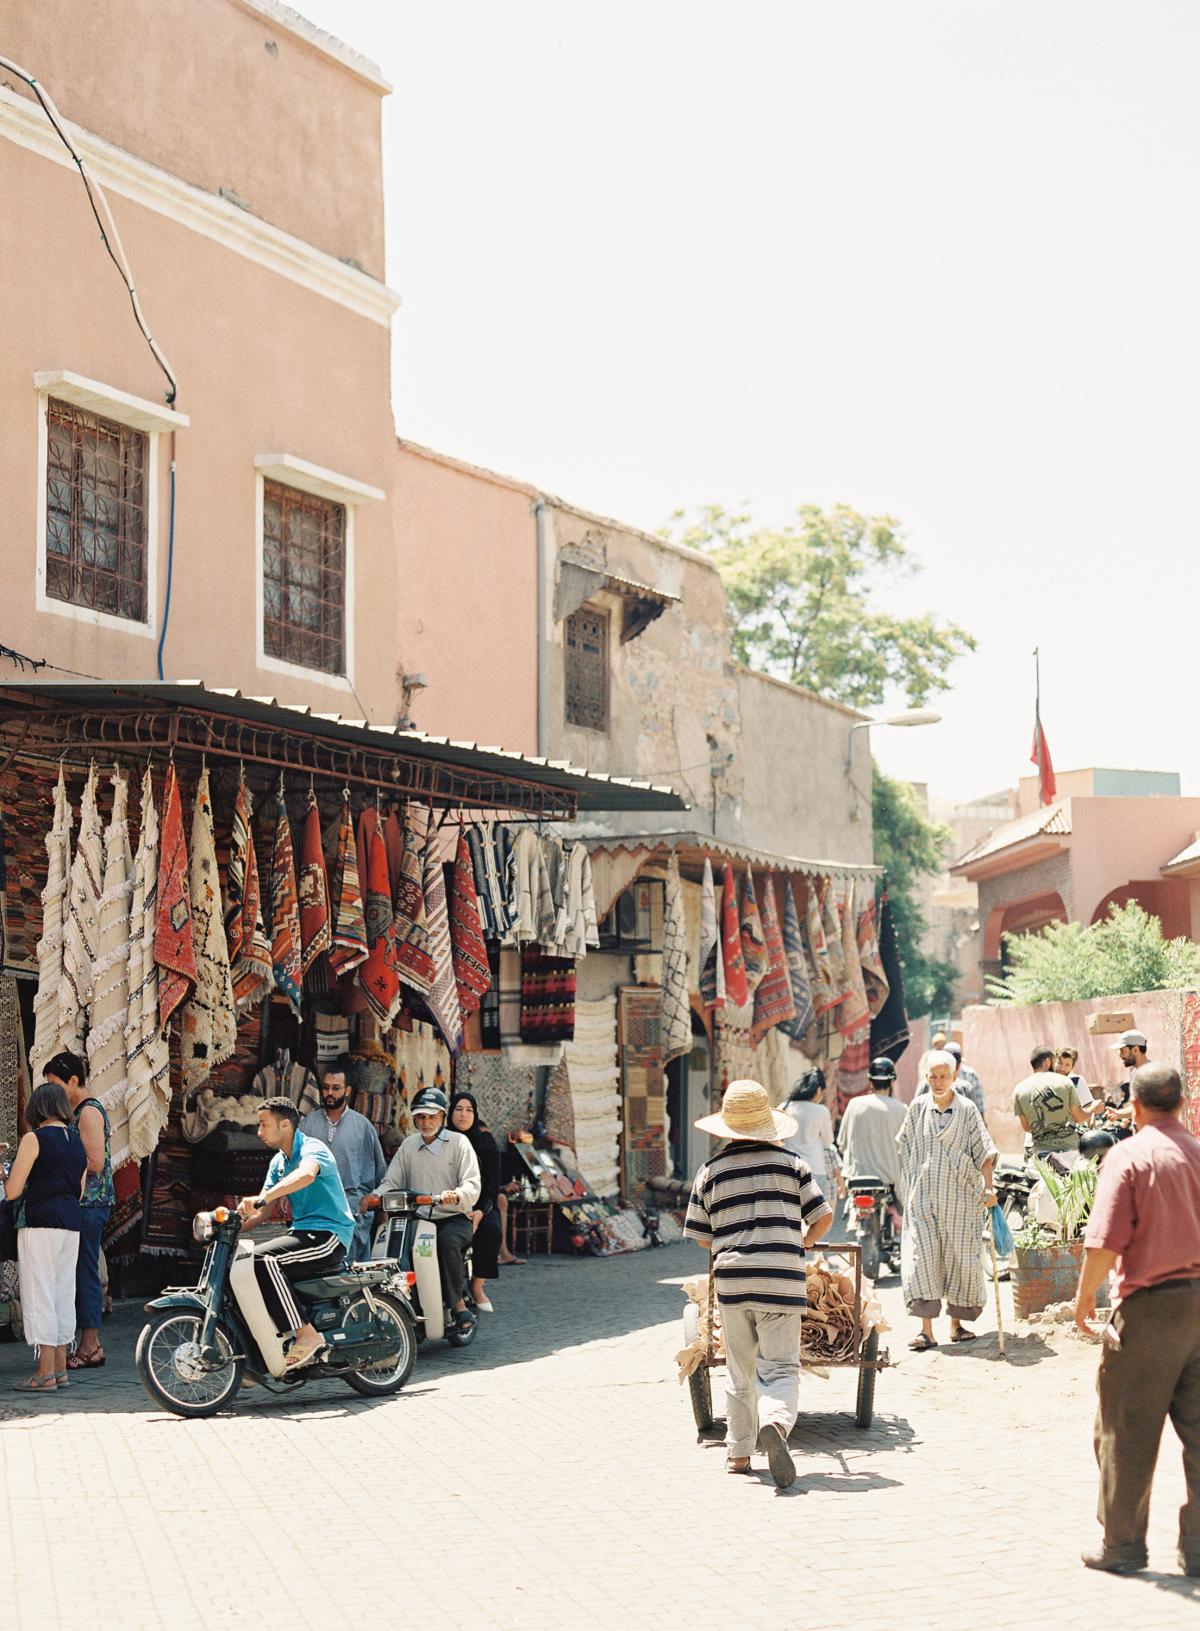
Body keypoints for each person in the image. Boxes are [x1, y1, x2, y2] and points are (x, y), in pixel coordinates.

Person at [1073, 1063, 1200, 1577]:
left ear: (1136, 1106)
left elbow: (1104, 1242)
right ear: (1182, 1103)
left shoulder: (1129, 1156)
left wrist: (1084, 1300)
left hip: (1151, 1309)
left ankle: (1123, 1546)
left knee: (1125, 1428)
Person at [684, 1079, 833, 1488]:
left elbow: (700, 1233)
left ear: (727, 1126)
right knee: (781, 1367)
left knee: (739, 1368)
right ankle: (775, 1423)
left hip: (732, 1281)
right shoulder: (792, 1164)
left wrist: (729, 1241)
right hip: (782, 1280)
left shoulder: (711, 1171)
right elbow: (823, 1215)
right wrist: (800, 1243)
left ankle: (737, 1453)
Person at [237, 1097, 356, 1371]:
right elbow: (262, 1213)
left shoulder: (313, 1149)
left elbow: (306, 1176)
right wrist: (228, 1228)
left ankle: (306, 1334)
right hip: (303, 1233)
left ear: (285, 1124)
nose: (259, 1132)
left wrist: (264, 1196)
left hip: (329, 1235)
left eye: (264, 1125)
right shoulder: (279, 1162)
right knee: (248, 1263)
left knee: (260, 1261)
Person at [362, 1086, 481, 1337]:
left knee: (446, 1243)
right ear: (415, 1118)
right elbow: (391, 1181)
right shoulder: (408, 1145)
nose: (426, 1122)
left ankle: (458, 1306)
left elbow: (472, 1185)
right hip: (416, 1218)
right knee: (394, 1250)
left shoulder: (459, 1143)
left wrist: (456, 1194)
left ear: (442, 1117)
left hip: (452, 1217)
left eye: (432, 1116)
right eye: (421, 1117)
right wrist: (375, 1196)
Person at [899, 1049, 997, 1350]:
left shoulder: (967, 1109)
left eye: (943, 1076)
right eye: (932, 1076)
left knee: (961, 1259)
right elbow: (905, 1147)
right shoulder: (917, 1107)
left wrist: (989, 1187)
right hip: (924, 1199)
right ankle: (926, 1330)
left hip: (961, 1201)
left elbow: (984, 1150)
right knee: (922, 1259)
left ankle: (957, 1325)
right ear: (926, 1078)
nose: (938, 1081)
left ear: (954, 1076)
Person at [4, 1082, 88, 1393]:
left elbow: (13, 1191)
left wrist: (6, 1175)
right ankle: (60, 1370)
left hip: (40, 1222)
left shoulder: (34, 1138)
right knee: (63, 1294)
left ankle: (43, 1373)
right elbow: (79, 1191)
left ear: (36, 1109)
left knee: (40, 1294)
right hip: (70, 1222)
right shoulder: (76, 1141)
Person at [44, 1050, 111, 1369]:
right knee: (78, 1270)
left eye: (56, 1084)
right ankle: (88, 1342)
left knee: (85, 1270)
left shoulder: (88, 1112)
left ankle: (90, 1345)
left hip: (90, 1204)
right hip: (80, 1203)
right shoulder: (74, 1111)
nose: (53, 1091)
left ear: (74, 1080)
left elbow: (95, 1162)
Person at [300, 1057, 387, 1263]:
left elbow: (380, 1173)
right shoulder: (307, 1125)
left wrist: (376, 1210)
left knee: (348, 1273)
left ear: (347, 1091)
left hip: (352, 1210)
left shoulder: (362, 1126)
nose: (330, 1093)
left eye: (336, 1088)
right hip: (315, 1209)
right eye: (326, 1088)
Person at [449, 1092, 503, 1312]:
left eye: (469, 1110)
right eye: (458, 1109)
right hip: (449, 1203)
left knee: (491, 1230)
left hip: (481, 1203)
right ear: (450, 1112)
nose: (463, 1115)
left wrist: (480, 1210)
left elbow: (492, 1183)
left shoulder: (484, 1142)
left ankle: (477, 1285)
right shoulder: (442, 1139)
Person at [837, 1057, 908, 1200]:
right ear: (892, 1081)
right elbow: (907, 1150)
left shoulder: (854, 1104)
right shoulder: (902, 1109)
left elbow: (841, 1143)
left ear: (870, 1081)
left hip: (856, 1179)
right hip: (890, 1182)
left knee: (852, 1216)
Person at [1012, 1045, 1088, 1157]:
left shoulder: (1018, 1089)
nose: (1060, 1067)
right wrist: (1093, 1109)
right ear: (1047, 1062)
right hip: (1067, 1150)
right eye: (1057, 1062)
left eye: (1067, 1065)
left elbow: (1026, 1127)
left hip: (1037, 1150)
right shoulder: (1065, 1082)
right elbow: (1079, 1117)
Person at [781, 1069, 839, 1203]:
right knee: (815, 1219)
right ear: (818, 1090)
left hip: (788, 1171)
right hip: (815, 1170)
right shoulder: (821, 1111)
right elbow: (828, 1141)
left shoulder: (784, 1107)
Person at [914, 1044, 987, 1123]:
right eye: (933, 1077)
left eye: (943, 1077)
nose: (938, 1083)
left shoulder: (966, 1086)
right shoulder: (924, 1087)